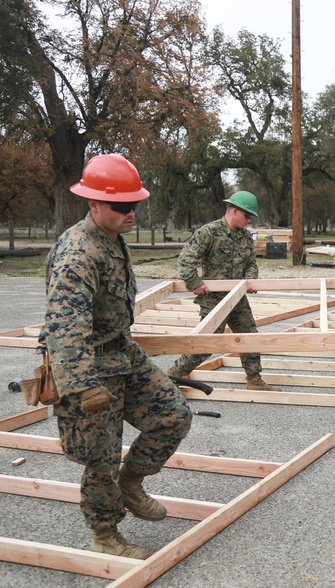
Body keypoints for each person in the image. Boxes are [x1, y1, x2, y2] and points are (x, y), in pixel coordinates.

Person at [43, 154, 193, 559]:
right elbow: (63, 327)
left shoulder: (111, 237)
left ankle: (132, 481)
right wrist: (83, 387)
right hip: (90, 366)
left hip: (121, 353)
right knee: (100, 457)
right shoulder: (78, 253)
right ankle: (106, 534)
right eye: (121, 206)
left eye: (135, 205)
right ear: (93, 204)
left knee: (174, 415)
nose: (131, 213)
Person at [166, 191, 281, 392]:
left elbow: (251, 264)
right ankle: (172, 376)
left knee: (249, 337)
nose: (249, 220)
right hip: (213, 300)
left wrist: (250, 281)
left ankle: (254, 380)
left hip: (237, 298)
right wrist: (194, 282)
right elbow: (186, 259)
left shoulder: (245, 237)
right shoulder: (209, 232)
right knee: (206, 344)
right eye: (247, 216)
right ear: (235, 211)